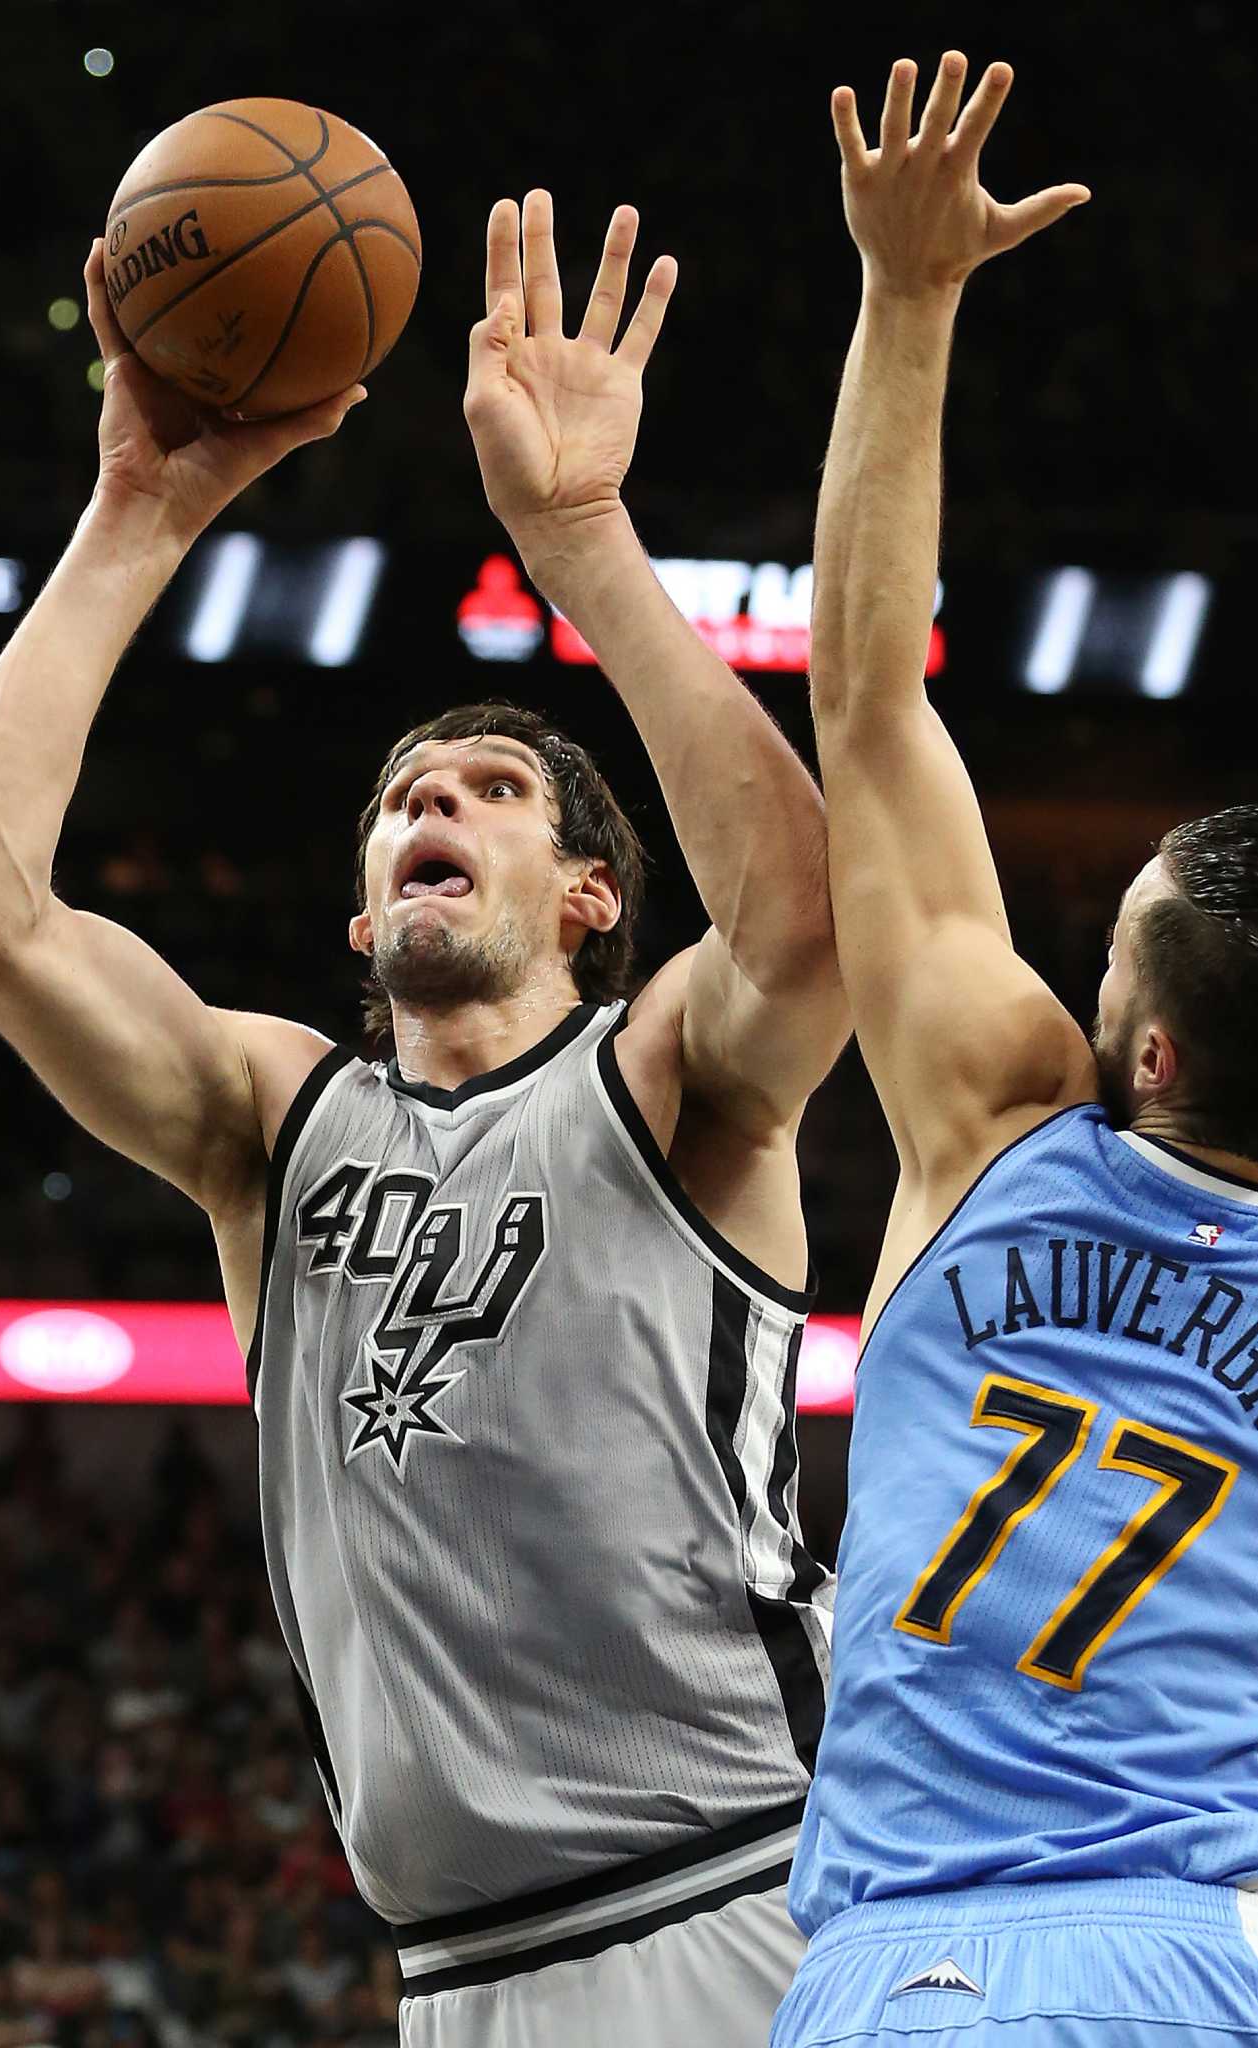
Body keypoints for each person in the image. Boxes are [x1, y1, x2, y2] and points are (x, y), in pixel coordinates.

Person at [0, 191, 849, 2047]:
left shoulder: (665, 1078)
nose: (437, 797)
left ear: (589, 899)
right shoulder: (273, 1119)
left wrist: (580, 539)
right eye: (408, 793)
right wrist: (138, 513)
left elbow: (809, 926)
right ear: (361, 912)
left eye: (496, 788)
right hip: (454, 1973)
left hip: (747, 1889)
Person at [773, 49, 1258, 2048]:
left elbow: (868, 703)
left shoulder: (992, 1112)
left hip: (932, 1958)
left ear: (1132, 1052)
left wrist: (905, 300)